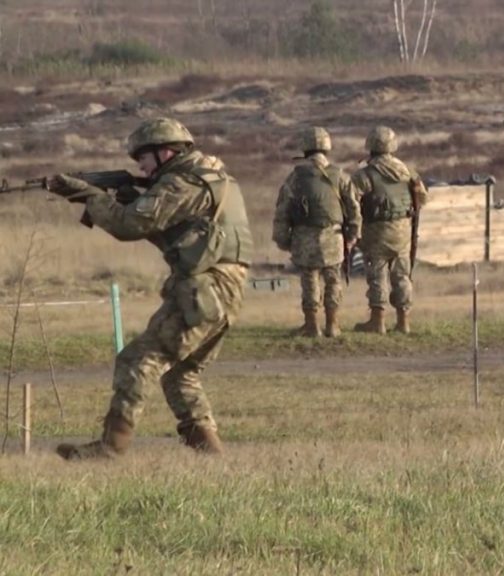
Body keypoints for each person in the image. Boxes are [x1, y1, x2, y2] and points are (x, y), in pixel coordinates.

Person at [48, 117, 253, 459]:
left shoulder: (183, 183)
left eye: (143, 156)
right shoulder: (210, 178)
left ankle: (110, 449)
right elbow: (172, 232)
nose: (139, 164)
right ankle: (213, 457)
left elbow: (130, 225)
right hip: (219, 291)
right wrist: (122, 198)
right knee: (179, 375)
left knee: (136, 360)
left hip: (205, 291)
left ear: (166, 152)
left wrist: (94, 198)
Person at [272, 126, 360, 337]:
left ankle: (312, 326)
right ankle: (333, 325)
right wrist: (353, 235)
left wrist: (282, 239)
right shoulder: (340, 176)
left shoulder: (295, 177)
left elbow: (282, 210)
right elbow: (353, 208)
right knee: (333, 280)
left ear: (305, 149)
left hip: (304, 237)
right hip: (334, 236)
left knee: (310, 280)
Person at [350, 126, 427, 335]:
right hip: (403, 231)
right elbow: (422, 198)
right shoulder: (407, 172)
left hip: (376, 231)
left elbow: (351, 201)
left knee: (377, 274)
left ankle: (378, 322)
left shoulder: (364, 175)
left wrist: (354, 227)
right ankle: (404, 323)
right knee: (402, 275)